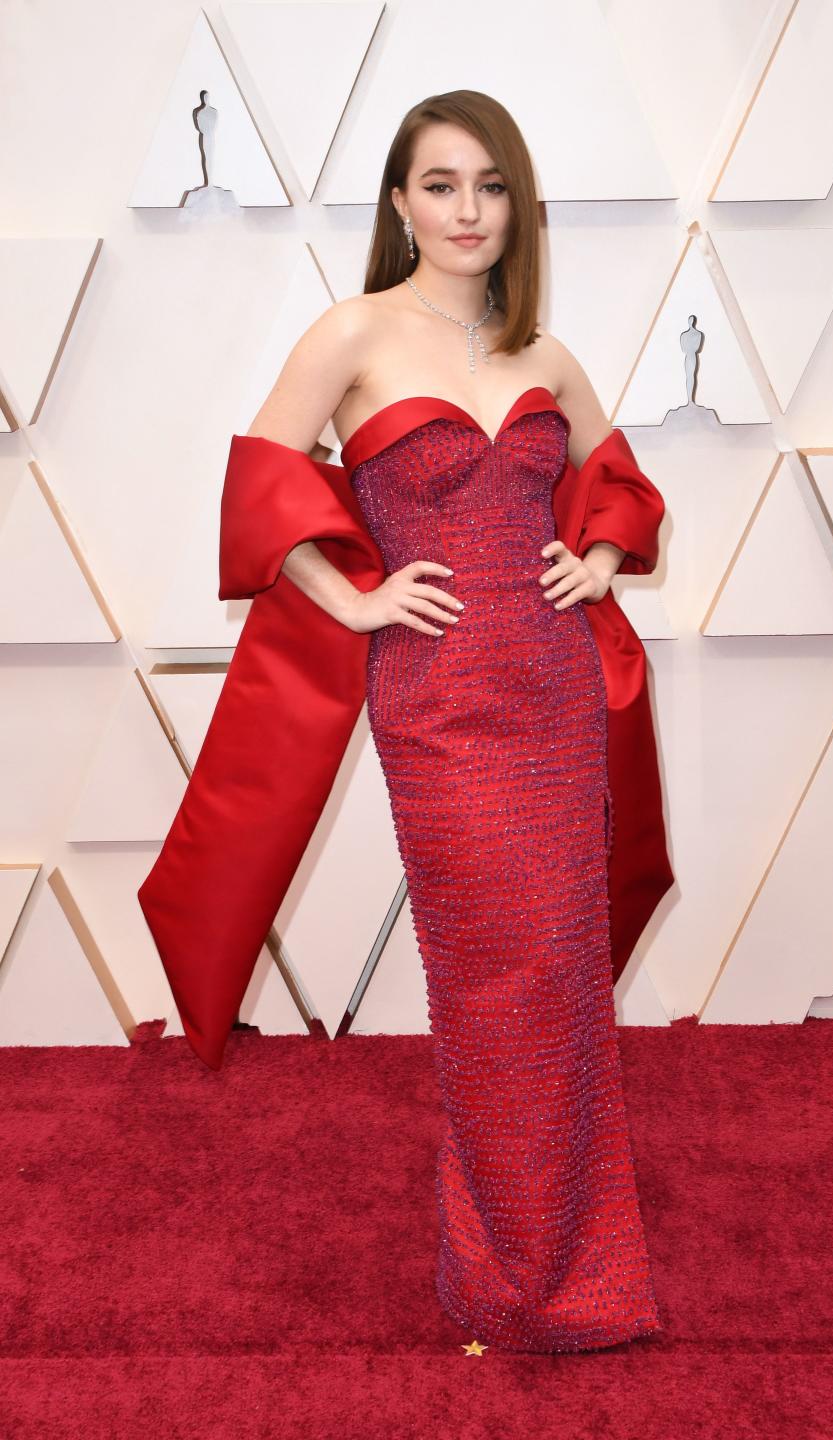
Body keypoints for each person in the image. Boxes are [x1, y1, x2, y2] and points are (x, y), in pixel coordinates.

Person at [138, 89, 674, 1353]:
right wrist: (358, 598)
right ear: (399, 203)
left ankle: (582, 1270)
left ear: (516, 206)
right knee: (491, 981)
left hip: (551, 693)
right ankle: (506, 1279)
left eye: (490, 187)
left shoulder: (544, 356)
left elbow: (623, 482)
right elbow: (261, 487)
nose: (468, 211)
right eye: (442, 186)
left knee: (558, 976)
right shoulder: (354, 333)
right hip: (438, 709)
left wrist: (595, 559)